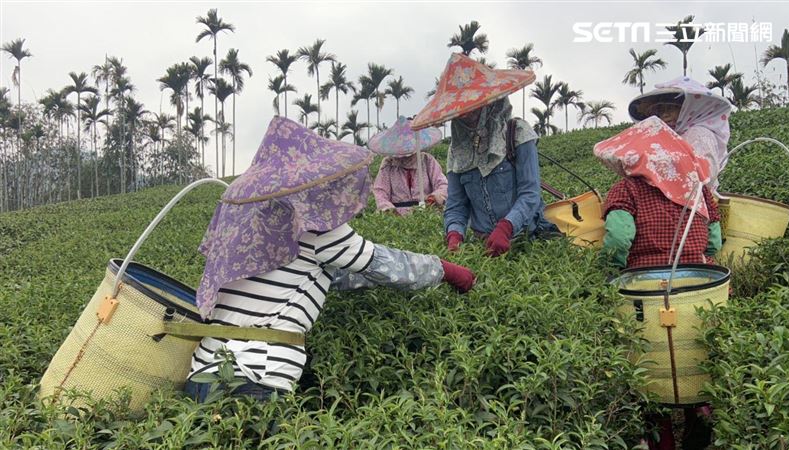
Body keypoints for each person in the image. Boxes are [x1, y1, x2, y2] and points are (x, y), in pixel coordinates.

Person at [184, 116, 476, 401]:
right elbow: (385, 265)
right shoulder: (312, 225)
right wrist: (443, 269)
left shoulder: (242, 220)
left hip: (201, 373)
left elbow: (319, 273)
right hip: (259, 377)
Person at [594, 116, 722, 450]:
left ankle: (659, 434)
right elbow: (714, 241)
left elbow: (619, 239)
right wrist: (696, 255)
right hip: (697, 289)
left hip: (647, 294)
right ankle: (701, 411)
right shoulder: (699, 188)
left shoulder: (628, 188)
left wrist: (608, 273)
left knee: (650, 370)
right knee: (695, 356)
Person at [410, 53, 560, 257]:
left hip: (527, 240)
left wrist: (506, 227)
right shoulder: (456, 151)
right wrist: (454, 234)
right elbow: (456, 205)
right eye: (460, 110)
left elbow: (530, 193)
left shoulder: (517, 133)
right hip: (484, 246)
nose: (467, 114)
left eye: (472, 106)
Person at [628, 76, 732, 193]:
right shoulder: (672, 137)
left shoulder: (699, 133)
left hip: (693, 201)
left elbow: (705, 176)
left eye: (671, 109)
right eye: (661, 111)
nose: (665, 115)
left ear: (686, 109)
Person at [369, 116, 448, 215]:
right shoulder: (388, 164)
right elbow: (380, 191)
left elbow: (442, 184)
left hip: (427, 212)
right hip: (397, 215)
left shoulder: (427, 160)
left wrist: (434, 198)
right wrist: (389, 210)